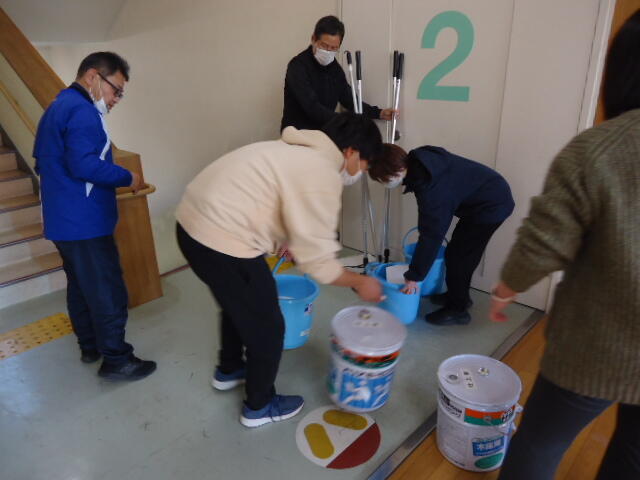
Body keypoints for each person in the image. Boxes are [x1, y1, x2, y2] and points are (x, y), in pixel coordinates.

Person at [489, 10, 640, 480]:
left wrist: (506, 287)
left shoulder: (600, 150)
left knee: (540, 442)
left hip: (598, 344)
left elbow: (543, 243)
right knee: (634, 455)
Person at [175, 113, 386, 428]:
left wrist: (285, 241)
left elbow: (273, 201)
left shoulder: (293, 148)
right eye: (365, 165)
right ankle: (259, 406)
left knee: (237, 303)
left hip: (191, 225)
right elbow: (320, 266)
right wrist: (360, 281)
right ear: (352, 152)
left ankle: (230, 369)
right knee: (269, 327)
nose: (361, 173)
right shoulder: (322, 172)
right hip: (221, 239)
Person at [33, 52, 156, 381]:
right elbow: (84, 164)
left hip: (63, 222)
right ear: (93, 77)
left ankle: (89, 346)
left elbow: (44, 162)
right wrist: (127, 176)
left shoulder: (57, 107)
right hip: (84, 223)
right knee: (107, 289)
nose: (116, 99)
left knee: (80, 287)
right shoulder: (82, 110)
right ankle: (117, 359)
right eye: (116, 90)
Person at [368, 144, 514, 326]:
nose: (382, 183)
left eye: (381, 179)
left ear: (393, 173)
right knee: (456, 252)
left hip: (492, 205)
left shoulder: (431, 189)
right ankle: (458, 296)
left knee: (460, 258)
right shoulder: (421, 160)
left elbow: (431, 236)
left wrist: (414, 276)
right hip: (485, 194)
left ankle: (458, 310)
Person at [281, 15, 396, 131]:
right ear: (313, 39)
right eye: (324, 45)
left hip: (323, 133)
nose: (328, 51)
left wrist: (379, 113)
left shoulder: (335, 70)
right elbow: (312, 107)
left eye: (333, 48)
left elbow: (350, 100)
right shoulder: (297, 66)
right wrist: (345, 121)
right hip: (296, 133)